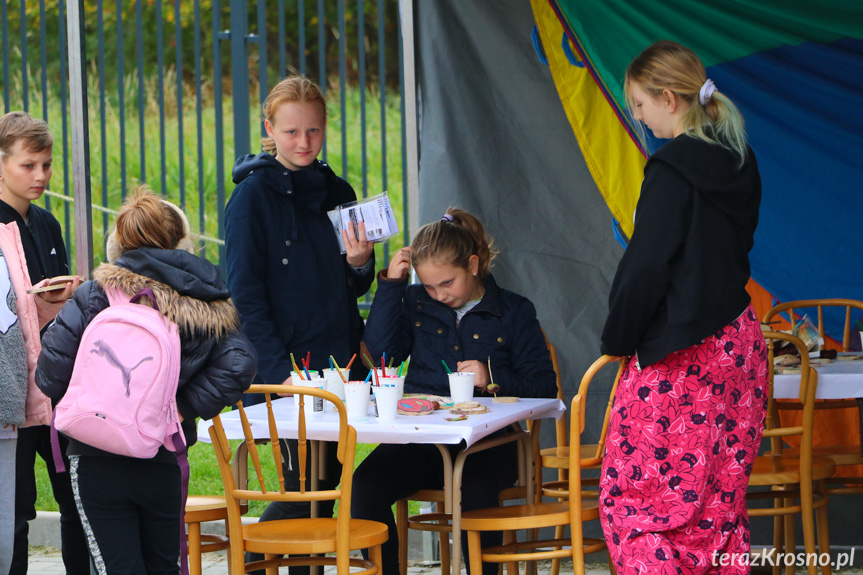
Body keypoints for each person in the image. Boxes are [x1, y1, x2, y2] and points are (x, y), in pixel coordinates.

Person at [598, 40, 767, 575]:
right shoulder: (739, 159)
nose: (639, 118)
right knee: (717, 509)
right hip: (740, 348)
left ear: (668, 98)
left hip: (682, 356)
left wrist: (617, 339)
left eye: (639, 106)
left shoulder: (671, 169)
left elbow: (647, 265)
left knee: (636, 506)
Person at [35, 187, 258, 574]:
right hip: (161, 452)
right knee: (162, 566)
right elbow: (240, 362)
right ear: (181, 242)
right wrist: (175, 409)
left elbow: (50, 378)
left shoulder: (93, 295)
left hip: (94, 459)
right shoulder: (204, 303)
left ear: (119, 242)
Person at [224, 75, 375, 573]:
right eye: (291, 132)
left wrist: (358, 264)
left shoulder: (339, 191)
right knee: (304, 494)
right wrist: (279, 373)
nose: (304, 142)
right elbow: (244, 296)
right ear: (270, 129)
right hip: (288, 371)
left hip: (340, 365)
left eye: (312, 131)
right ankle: (247, 559)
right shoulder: (250, 199)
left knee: (323, 492)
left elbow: (351, 287)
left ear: (325, 128)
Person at [353, 208, 557, 575]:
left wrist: (490, 375)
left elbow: (544, 387)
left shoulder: (513, 310)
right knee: (364, 486)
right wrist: (391, 287)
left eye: (447, 283)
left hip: (492, 444)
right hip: (424, 440)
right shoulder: (416, 303)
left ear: (474, 265)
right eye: (429, 286)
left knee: (474, 493)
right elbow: (379, 358)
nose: (439, 294)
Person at [0, 111, 88, 575]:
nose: (40, 176)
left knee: (77, 498)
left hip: (56, 386)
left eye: (47, 166)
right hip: (11, 392)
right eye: (28, 165)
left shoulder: (47, 222)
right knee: (13, 513)